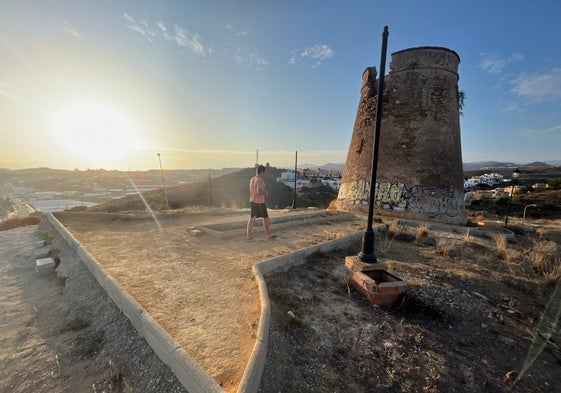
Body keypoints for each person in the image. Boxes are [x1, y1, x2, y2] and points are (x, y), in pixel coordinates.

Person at [247, 165, 277, 240]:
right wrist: (265, 192)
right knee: (266, 218)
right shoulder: (260, 180)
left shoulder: (252, 179)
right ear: (262, 172)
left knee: (252, 218)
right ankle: (269, 235)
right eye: (264, 173)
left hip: (252, 201)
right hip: (259, 202)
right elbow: (259, 191)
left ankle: (248, 236)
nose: (264, 175)